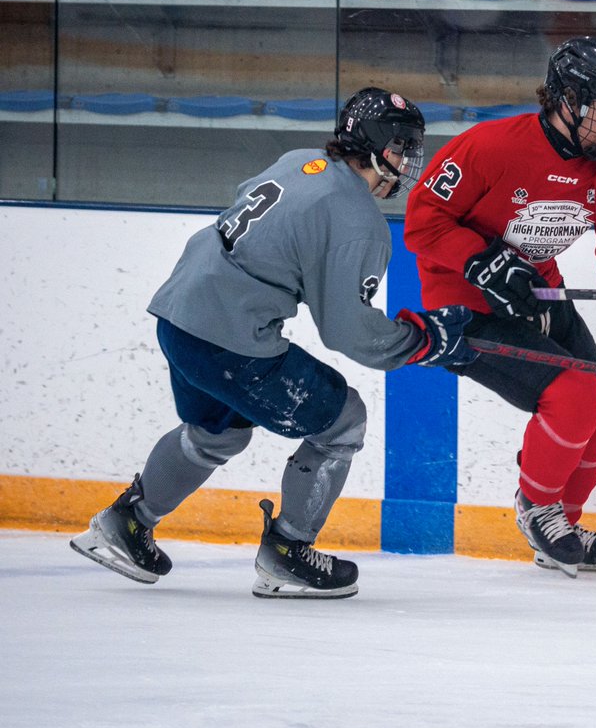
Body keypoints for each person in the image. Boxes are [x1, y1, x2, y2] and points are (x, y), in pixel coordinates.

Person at [70, 88, 476, 599]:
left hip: (179, 316)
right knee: (344, 421)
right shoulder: (358, 220)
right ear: (374, 147)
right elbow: (347, 332)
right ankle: (288, 551)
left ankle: (125, 523)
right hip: (227, 338)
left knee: (216, 433)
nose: (406, 159)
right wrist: (422, 343)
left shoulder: (301, 161)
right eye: (401, 146)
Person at [404, 36, 596, 578]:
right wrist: (480, 260)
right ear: (562, 99)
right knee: (575, 394)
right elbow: (422, 221)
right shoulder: (488, 147)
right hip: (466, 304)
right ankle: (536, 508)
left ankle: (561, 525)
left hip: (540, 293)